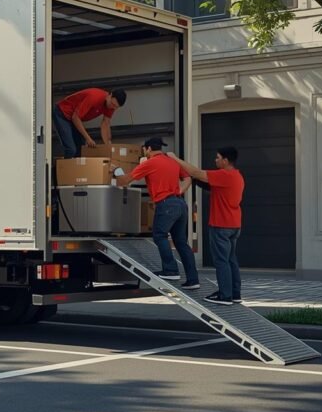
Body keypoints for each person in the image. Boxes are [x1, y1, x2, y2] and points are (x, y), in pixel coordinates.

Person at [113, 137, 199, 290]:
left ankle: (170, 270)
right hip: (180, 204)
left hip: (165, 205)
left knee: (159, 235)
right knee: (181, 242)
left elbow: (124, 181)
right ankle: (193, 280)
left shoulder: (149, 163)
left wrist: (116, 170)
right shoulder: (172, 161)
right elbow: (187, 178)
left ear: (148, 149)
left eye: (144, 150)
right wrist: (179, 190)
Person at [169, 147, 245, 305]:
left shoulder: (224, 175)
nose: (215, 160)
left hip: (221, 225)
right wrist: (194, 178)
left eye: (218, 158)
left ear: (225, 160)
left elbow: (197, 173)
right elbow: (206, 183)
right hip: (234, 225)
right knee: (231, 260)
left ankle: (225, 296)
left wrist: (175, 159)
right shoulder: (237, 176)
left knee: (221, 261)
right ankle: (235, 294)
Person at [53, 88, 127, 158]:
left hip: (73, 118)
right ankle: (63, 169)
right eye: (112, 104)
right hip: (62, 113)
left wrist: (108, 145)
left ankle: (75, 169)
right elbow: (75, 118)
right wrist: (88, 138)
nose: (112, 107)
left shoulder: (111, 106)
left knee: (81, 149)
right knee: (71, 149)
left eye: (115, 107)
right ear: (110, 95)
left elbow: (105, 123)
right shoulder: (94, 97)